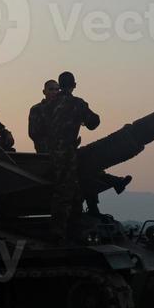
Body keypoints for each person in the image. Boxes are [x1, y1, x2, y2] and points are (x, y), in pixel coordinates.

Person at [46, 71, 101, 240]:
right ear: (74, 85)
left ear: (60, 86)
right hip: (67, 152)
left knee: (73, 191)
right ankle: (58, 232)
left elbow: (38, 129)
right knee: (64, 191)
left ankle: (74, 227)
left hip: (50, 151)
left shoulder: (47, 105)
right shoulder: (77, 104)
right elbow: (93, 122)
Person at [28, 78, 59, 155]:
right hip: (44, 152)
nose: (54, 92)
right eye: (51, 89)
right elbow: (33, 133)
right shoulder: (36, 109)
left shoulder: (63, 108)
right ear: (44, 92)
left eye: (57, 90)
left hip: (63, 152)